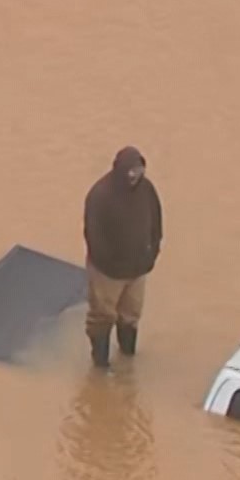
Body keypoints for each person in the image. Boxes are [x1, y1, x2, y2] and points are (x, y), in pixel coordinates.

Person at [82, 146, 163, 370]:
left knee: (131, 315)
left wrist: (153, 252)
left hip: (138, 270)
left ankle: (127, 359)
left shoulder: (147, 190)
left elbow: (157, 222)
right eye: (131, 171)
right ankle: (100, 366)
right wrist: (110, 264)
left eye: (139, 170)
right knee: (102, 317)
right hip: (107, 272)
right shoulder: (100, 195)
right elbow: (93, 235)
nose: (135, 175)